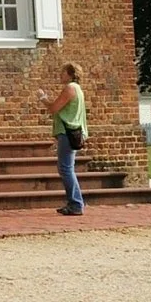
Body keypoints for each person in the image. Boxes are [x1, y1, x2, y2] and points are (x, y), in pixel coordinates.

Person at [44, 62, 86, 215]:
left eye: (63, 72)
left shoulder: (70, 88)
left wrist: (43, 98)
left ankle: (76, 204)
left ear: (70, 74)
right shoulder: (78, 89)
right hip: (73, 133)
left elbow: (54, 108)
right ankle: (75, 203)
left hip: (67, 133)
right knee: (67, 168)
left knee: (66, 169)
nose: (60, 75)